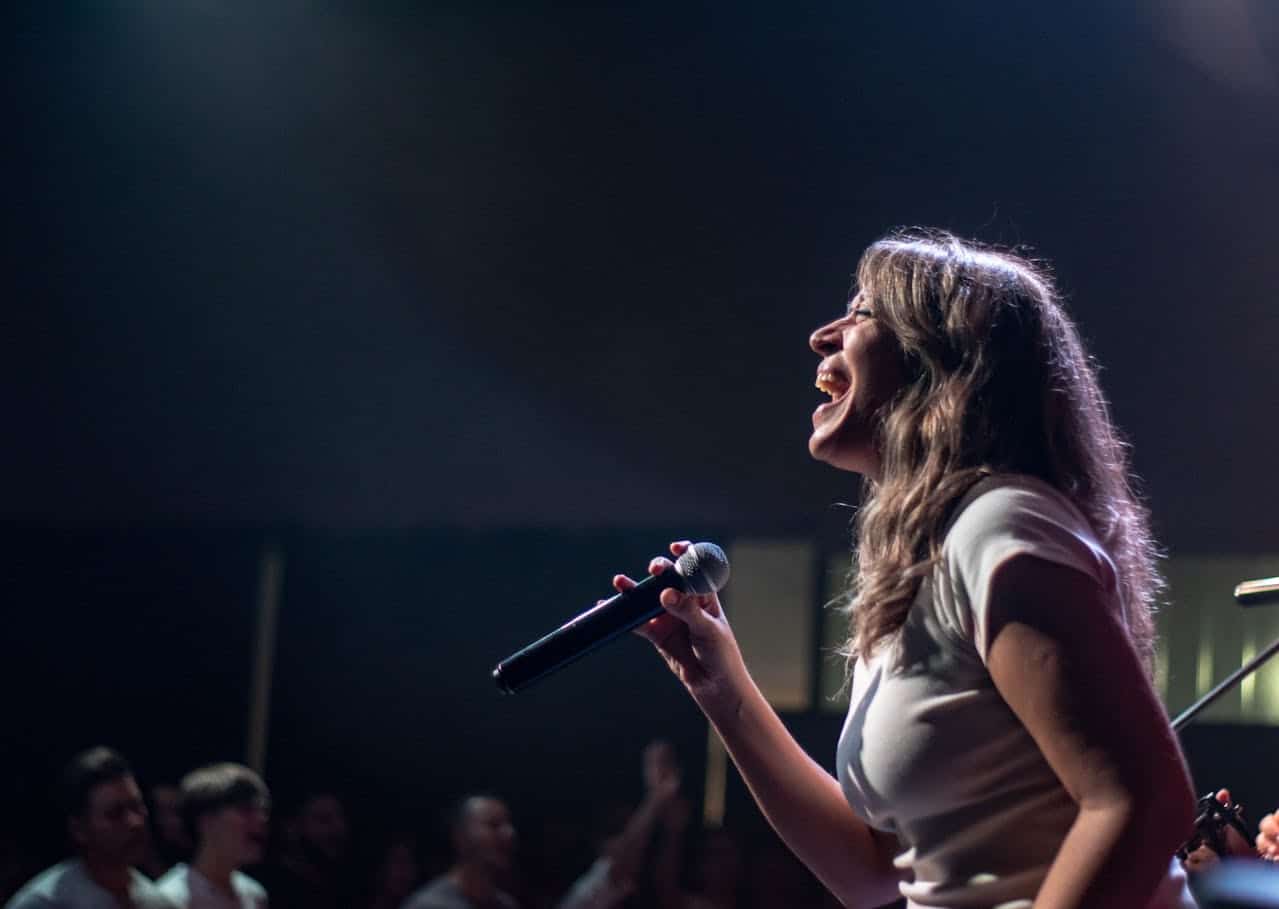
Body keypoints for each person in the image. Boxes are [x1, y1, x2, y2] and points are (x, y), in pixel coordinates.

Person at [616, 229, 1199, 908]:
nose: (821, 335)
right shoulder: (933, 559)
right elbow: (872, 870)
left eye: (863, 311)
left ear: (945, 360)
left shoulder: (1003, 525)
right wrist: (721, 687)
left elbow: (1142, 801)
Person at [5, 746, 176, 908]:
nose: (135, 822)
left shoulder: (157, 903)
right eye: (115, 814)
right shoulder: (46, 904)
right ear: (79, 829)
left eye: (137, 806)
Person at [154, 763, 270, 908]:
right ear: (206, 820)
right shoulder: (171, 899)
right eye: (245, 810)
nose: (261, 819)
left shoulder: (254, 894)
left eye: (262, 811)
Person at [401, 795, 518, 909]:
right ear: (460, 835)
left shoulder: (507, 905)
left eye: (508, 826)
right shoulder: (428, 905)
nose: (509, 834)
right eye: (493, 824)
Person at [260, 790, 349, 909]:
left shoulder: (339, 886)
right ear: (291, 828)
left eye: (341, 819)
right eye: (324, 820)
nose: (338, 829)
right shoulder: (268, 890)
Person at [141, 784, 194, 881]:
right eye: (163, 812)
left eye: (176, 811)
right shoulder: (143, 854)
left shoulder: (196, 846)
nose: (173, 821)